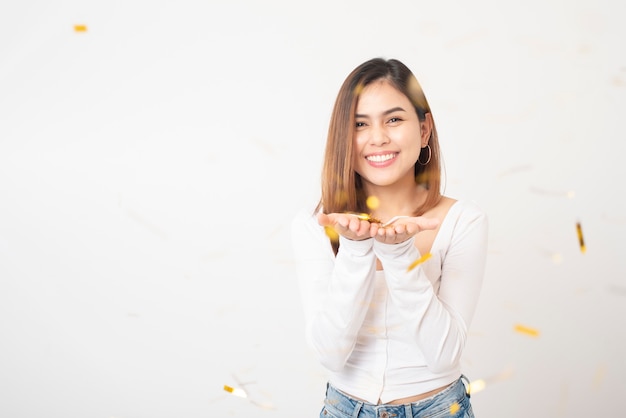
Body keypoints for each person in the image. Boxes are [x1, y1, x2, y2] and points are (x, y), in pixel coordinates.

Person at [290, 57, 488, 418]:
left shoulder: (463, 220)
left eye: (394, 119)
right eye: (359, 124)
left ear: (424, 130)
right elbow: (331, 353)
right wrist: (354, 249)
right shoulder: (313, 225)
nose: (378, 137)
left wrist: (400, 257)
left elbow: (444, 357)